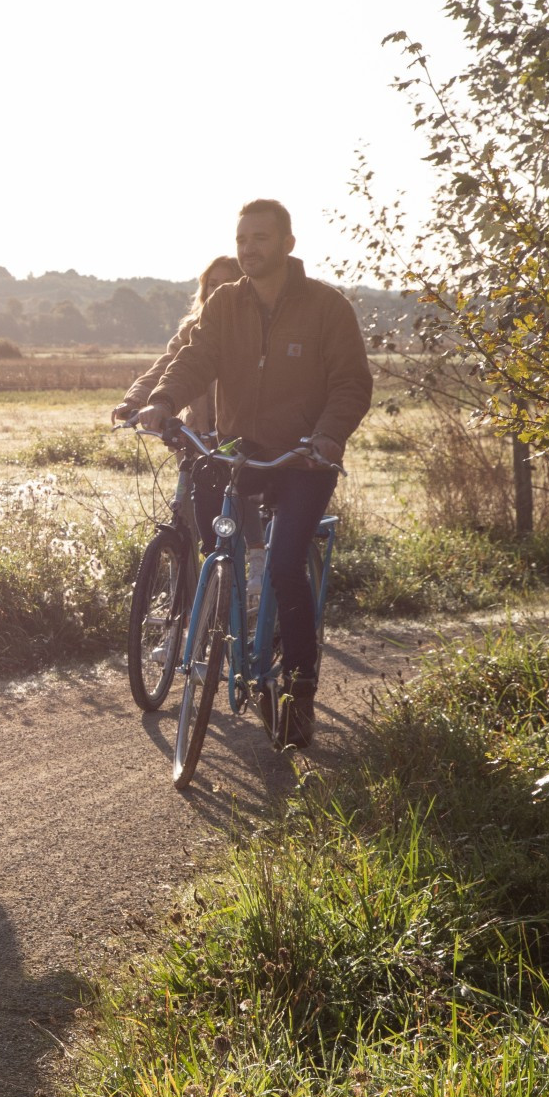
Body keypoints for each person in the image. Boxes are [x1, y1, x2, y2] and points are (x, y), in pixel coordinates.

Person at [130, 199, 373, 746]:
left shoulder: (326, 307)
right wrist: (164, 400)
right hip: (240, 452)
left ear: (287, 243)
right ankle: (224, 629)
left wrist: (327, 439)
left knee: (286, 564)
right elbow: (195, 358)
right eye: (242, 239)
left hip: (303, 459)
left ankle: (300, 691)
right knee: (218, 546)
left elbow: (351, 384)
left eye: (261, 238)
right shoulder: (224, 304)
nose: (249, 248)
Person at [111, 254, 242, 433]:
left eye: (228, 282)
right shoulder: (191, 330)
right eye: (213, 284)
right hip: (197, 430)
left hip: (238, 431)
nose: (219, 290)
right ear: (205, 290)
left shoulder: (251, 331)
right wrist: (134, 400)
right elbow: (168, 367)